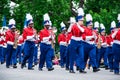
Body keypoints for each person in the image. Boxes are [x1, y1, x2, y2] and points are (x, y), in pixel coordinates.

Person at [69, 8, 86, 73]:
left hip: (80, 42)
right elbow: (69, 31)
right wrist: (71, 24)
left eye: (82, 21)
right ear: (78, 20)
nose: (82, 22)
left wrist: (78, 25)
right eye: (81, 20)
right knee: (72, 55)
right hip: (74, 41)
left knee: (82, 55)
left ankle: (81, 68)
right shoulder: (74, 26)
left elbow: (83, 31)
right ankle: (71, 68)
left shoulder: (82, 26)